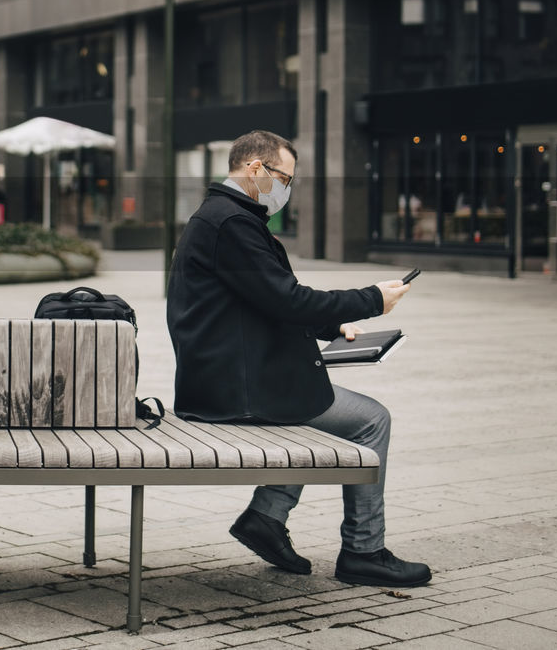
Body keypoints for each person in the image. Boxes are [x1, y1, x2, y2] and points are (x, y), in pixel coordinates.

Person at [166, 129, 431, 588]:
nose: (286, 189)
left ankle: (266, 518)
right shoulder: (231, 223)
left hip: (227, 376)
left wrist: (333, 327)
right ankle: (364, 550)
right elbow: (286, 300)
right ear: (255, 170)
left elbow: (265, 299)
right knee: (371, 421)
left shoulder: (226, 217)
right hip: (235, 387)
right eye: (283, 178)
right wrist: (371, 298)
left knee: (308, 405)